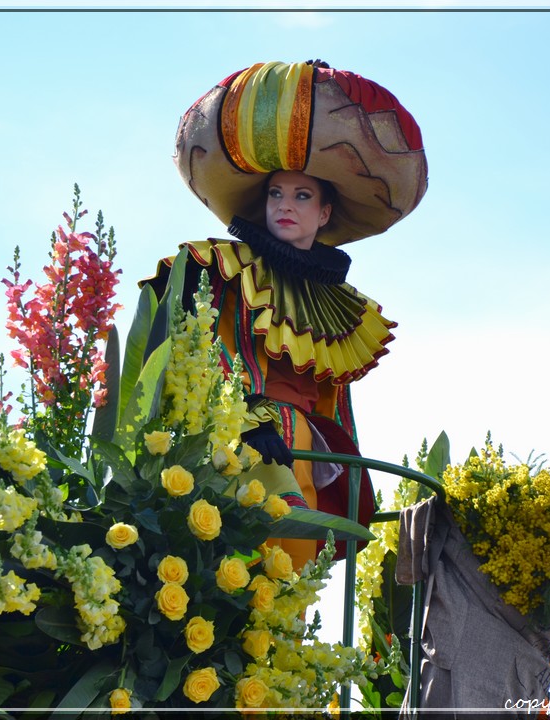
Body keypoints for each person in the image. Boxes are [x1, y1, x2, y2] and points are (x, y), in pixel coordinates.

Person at [144, 60, 427, 572]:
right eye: (276, 193)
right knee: (233, 578)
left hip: (306, 459)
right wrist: (250, 419)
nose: (285, 206)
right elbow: (205, 351)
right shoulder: (222, 268)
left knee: (290, 587)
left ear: (324, 214)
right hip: (232, 450)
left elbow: (333, 404)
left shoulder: (342, 306)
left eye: (301, 196)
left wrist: (347, 474)